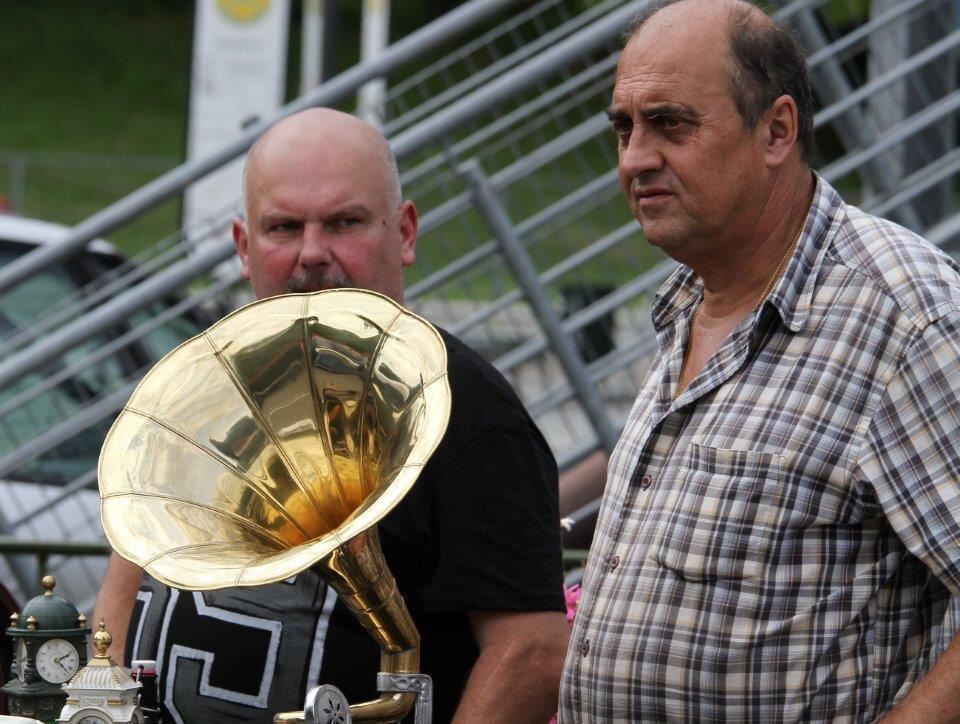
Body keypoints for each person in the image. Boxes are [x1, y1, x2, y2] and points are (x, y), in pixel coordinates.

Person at [94, 107, 569, 723]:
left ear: (403, 231)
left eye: (344, 222)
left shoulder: (470, 409)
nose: (312, 253)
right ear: (244, 247)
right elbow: (123, 592)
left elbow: (531, 654)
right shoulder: (205, 389)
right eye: (283, 227)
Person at [559, 1, 960, 721]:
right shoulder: (692, 300)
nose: (634, 157)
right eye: (624, 127)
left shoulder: (899, 312)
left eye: (671, 124)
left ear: (777, 130)